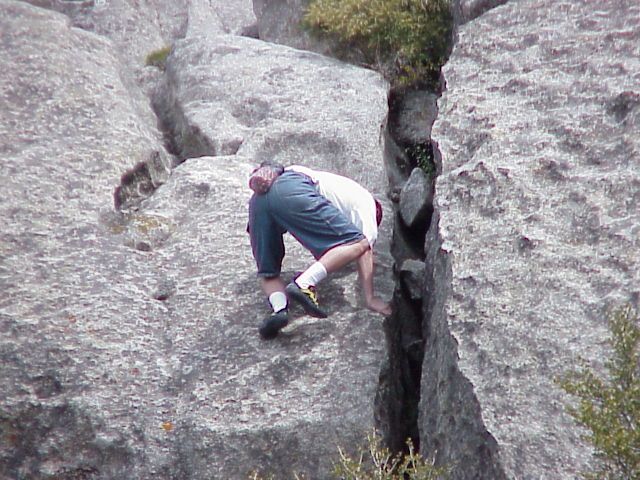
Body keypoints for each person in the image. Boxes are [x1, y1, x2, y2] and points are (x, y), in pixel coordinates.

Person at [247, 162, 390, 340]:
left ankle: (280, 310)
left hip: (258, 200)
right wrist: (370, 298)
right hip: (293, 188)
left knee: (268, 272)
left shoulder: (339, 189)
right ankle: (304, 284)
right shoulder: (366, 205)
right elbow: (365, 247)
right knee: (358, 242)